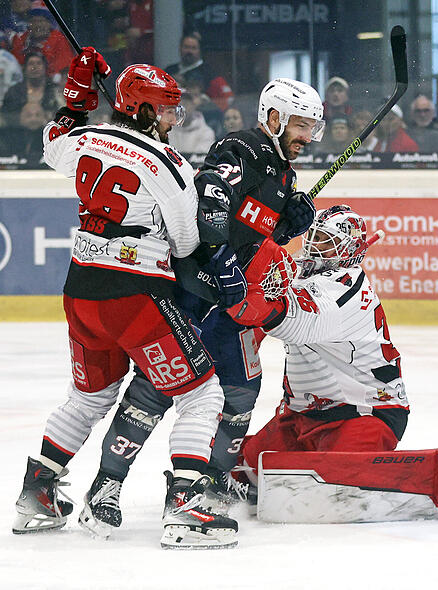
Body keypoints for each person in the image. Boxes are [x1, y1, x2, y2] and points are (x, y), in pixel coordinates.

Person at [12, 48, 240, 550]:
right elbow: (184, 243)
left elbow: (53, 144)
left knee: (89, 397)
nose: (171, 119)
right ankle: (186, 507)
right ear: (140, 109)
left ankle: (37, 497)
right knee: (202, 393)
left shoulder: (84, 138)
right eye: (163, 109)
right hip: (136, 297)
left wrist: (77, 94)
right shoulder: (167, 163)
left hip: (80, 291)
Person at [75, 76, 321, 539]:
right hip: (192, 290)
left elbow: (255, 228)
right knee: (155, 388)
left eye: (313, 127)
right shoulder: (241, 148)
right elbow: (210, 204)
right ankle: (105, 487)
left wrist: (288, 222)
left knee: (240, 392)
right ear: (274, 118)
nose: (308, 137)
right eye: (301, 126)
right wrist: (222, 261)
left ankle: (204, 486)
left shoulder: (284, 174)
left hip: (232, 300)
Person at [228, 204, 409, 475]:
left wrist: (255, 302)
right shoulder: (306, 272)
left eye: (326, 242)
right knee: (244, 470)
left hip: (363, 413)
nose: (314, 247)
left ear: (348, 249)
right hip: (301, 415)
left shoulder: (350, 289)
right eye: (313, 237)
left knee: (336, 478)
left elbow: (295, 324)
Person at [9, 8, 72, 77]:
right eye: (34, 21)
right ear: (29, 25)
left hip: (50, 82)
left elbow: (62, 68)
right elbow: (15, 65)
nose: (38, 25)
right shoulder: (21, 39)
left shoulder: (58, 39)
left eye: (41, 21)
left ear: (49, 24)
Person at [1, 51, 60, 116]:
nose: (34, 67)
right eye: (31, 64)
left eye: (39, 63)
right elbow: (6, 116)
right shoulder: (14, 91)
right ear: (25, 69)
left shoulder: (55, 90)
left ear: (45, 68)